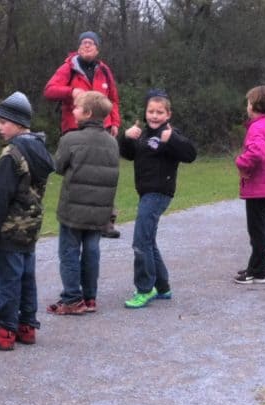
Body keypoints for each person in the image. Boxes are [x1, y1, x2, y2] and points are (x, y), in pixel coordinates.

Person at [0, 92, 55, 350]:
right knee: (26, 278)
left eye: (3, 122)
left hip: (10, 230)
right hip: (31, 228)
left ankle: (4, 332)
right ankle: (26, 326)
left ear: (19, 122)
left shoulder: (12, 154)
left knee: (8, 280)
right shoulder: (39, 148)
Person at [118, 89, 197, 308]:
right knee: (148, 240)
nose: (154, 116)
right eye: (151, 111)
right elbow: (128, 154)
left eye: (159, 112)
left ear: (168, 114)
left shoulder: (170, 133)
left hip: (158, 193)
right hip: (145, 192)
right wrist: (126, 137)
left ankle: (145, 288)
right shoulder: (143, 134)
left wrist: (171, 140)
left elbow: (191, 154)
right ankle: (162, 287)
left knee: (140, 241)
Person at [44, 31, 122, 238]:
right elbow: (50, 90)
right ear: (78, 48)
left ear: (98, 49)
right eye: (83, 43)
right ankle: (74, 220)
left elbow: (113, 99)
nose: (87, 46)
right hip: (74, 130)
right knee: (77, 176)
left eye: (91, 43)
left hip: (101, 129)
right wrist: (70, 92)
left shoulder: (104, 71)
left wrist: (114, 121)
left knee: (102, 175)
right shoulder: (68, 68)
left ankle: (107, 221)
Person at [48, 91, 119, 314]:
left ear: (87, 113)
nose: (72, 110)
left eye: (76, 107)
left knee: (69, 251)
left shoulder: (70, 139)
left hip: (73, 208)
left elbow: (58, 167)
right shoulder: (112, 142)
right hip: (100, 209)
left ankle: (71, 298)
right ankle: (90, 297)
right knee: (91, 250)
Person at [234, 86, 265, 284]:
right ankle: (257, 267)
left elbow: (257, 153)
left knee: (256, 230)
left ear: (253, 106)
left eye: (248, 102)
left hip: (258, 185)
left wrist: (241, 161)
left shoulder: (257, 127)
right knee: (259, 228)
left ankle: (258, 271)